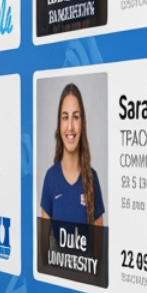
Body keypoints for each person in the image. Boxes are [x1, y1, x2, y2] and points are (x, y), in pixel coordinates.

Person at [39, 82, 104, 228]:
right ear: (59, 124)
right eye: (65, 117)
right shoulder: (51, 178)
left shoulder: (92, 180)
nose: (70, 127)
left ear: (83, 123)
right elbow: (42, 249)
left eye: (75, 117)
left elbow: (100, 250)